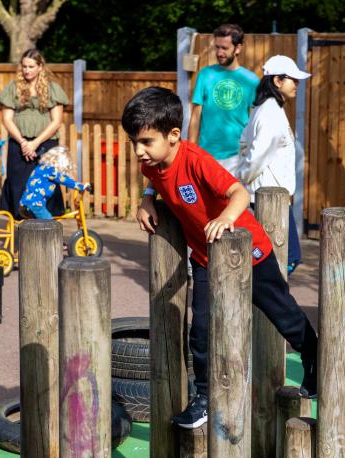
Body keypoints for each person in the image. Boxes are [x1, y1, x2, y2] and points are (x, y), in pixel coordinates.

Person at [122, 87, 318, 429]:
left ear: (173, 136)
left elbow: (239, 192)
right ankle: (204, 396)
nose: (139, 151)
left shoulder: (196, 160)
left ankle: (315, 359)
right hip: (205, 256)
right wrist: (147, 200)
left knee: (283, 315)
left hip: (249, 254)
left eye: (145, 142)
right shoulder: (153, 163)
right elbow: (153, 180)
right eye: (134, 142)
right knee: (202, 328)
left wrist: (226, 218)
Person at [237, 55, 309, 274]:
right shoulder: (270, 112)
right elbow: (257, 155)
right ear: (277, 81)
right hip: (268, 198)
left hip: (269, 195)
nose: (297, 84)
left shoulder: (269, 108)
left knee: (282, 259)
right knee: (284, 259)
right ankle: (264, 303)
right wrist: (244, 180)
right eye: (292, 79)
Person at [0, 48, 69, 219]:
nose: (27, 70)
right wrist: (23, 142)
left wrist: (35, 143)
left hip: (46, 144)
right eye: (24, 67)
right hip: (19, 144)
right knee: (18, 184)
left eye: (31, 66)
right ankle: (20, 230)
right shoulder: (13, 88)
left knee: (46, 184)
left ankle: (49, 231)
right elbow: (7, 119)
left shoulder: (53, 89)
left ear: (40, 67)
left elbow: (56, 121)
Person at [188, 23, 259, 173]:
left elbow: (254, 121)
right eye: (217, 47)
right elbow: (195, 117)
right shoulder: (205, 75)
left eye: (225, 48)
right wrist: (191, 151)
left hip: (238, 156)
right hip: (206, 154)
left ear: (238, 48)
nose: (219, 52)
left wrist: (252, 153)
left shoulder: (251, 80)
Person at [19, 145, 89, 220]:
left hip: (24, 204)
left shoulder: (41, 167)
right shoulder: (50, 170)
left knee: (43, 225)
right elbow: (64, 180)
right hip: (35, 206)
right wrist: (80, 186)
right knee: (51, 225)